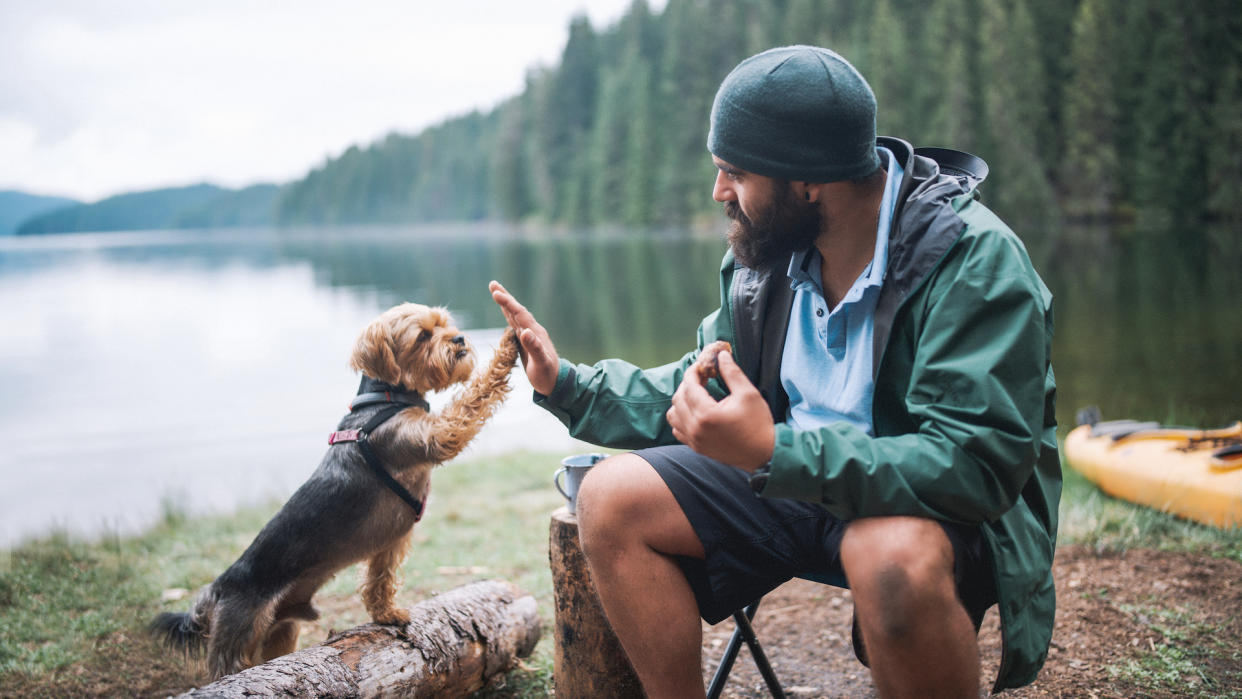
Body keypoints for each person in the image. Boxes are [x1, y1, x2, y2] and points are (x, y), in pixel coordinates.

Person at [490, 45, 1058, 698]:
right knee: (610, 497)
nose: (718, 192)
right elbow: (703, 383)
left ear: (808, 179)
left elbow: (974, 466)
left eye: (735, 172)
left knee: (889, 557)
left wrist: (774, 449)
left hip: (929, 509)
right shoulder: (769, 252)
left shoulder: (973, 262)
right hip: (787, 479)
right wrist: (566, 384)